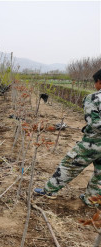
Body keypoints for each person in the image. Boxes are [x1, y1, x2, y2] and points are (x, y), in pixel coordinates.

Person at [34, 69, 101, 208]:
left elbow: (94, 124)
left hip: (94, 142)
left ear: (99, 82)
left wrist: (88, 131)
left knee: (69, 163)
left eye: (95, 83)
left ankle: (49, 190)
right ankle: (92, 200)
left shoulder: (93, 98)